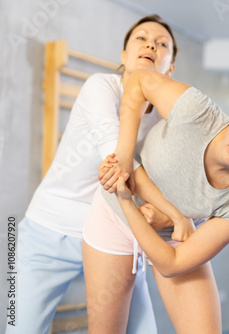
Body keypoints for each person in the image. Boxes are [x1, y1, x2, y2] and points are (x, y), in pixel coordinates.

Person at [81, 68, 229, 333]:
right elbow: (139, 80)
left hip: (173, 237)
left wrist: (131, 201)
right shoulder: (197, 111)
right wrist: (124, 155)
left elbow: (172, 264)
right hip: (114, 219)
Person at [8, 15, 179, 334]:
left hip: (113, 235)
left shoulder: (166, 121)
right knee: (19, 328)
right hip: (49, 231)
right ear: (124, 55)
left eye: (161, 43)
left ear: (170, 67)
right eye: (140, 38)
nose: (150, 45)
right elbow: (115, 158)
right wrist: (171, 212)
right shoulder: (100, 86)